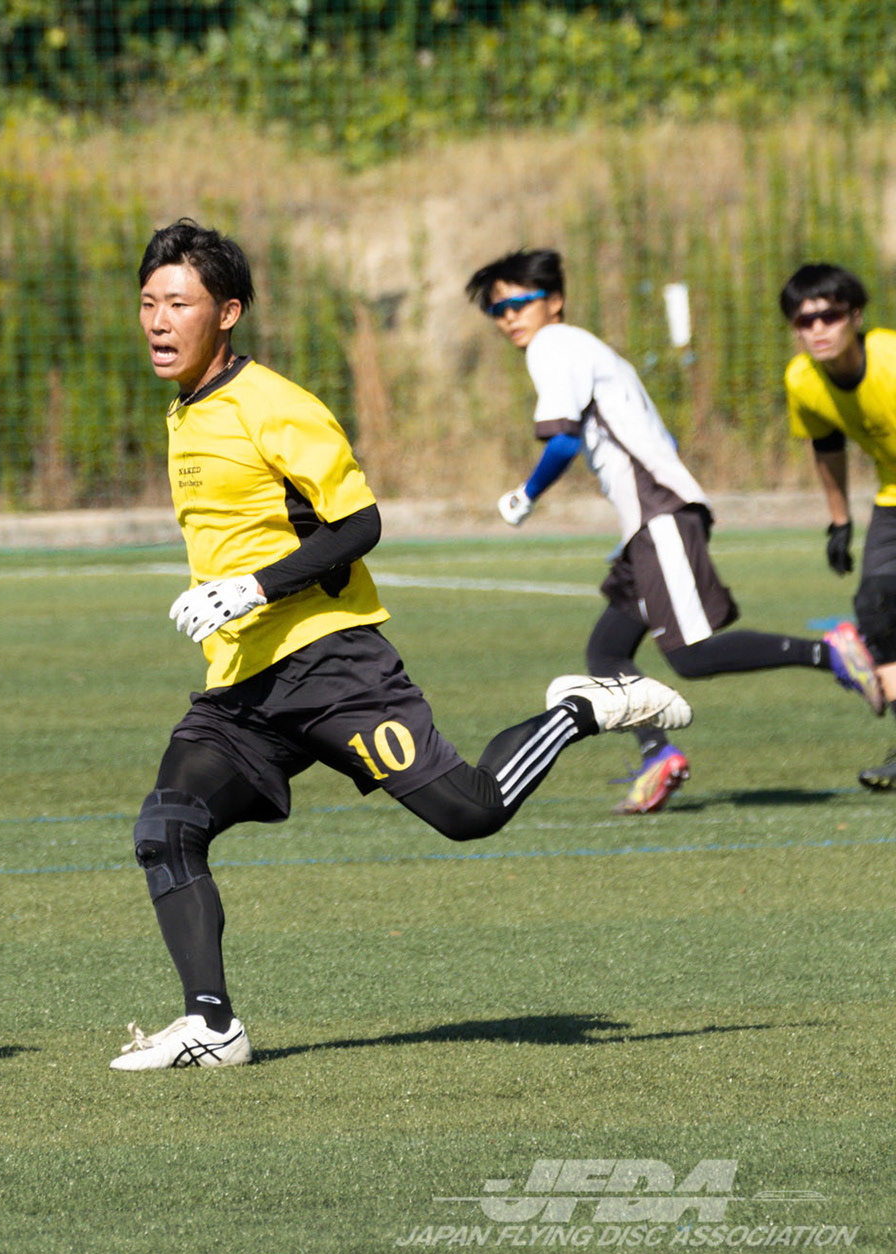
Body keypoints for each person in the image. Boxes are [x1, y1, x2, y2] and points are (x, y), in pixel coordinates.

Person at [111, 220, 692, 1073]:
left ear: (227, 312)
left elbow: (360, 524)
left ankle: (580, 709)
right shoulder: (187, 408)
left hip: (332, 667)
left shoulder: (274, 405)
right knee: (167, 827)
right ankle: (213, 1027)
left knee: (470, 812)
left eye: (179, 304)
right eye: (148, 304)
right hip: (244, 685)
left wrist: (251, 587)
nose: (160, 322)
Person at [465, 249, 884, 813]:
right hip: (651, 518)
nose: (510, 316)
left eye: (520, 302)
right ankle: (658, 754)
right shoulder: (589, 348)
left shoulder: (553, 345)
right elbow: (663, 439)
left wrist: (527, 494)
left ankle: (829, 651)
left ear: (555, 301)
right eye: (498, 310)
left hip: (658, 514)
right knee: (607, 651)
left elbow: (562, 440)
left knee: (691, 656)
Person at [780, 263, 896, 790]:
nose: (818, 329)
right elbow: (826, 444)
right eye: (804, 321)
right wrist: (839, 521)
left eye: (830, 316)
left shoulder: (890, 360)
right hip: (893, 498)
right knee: (876, 606)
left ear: (856, 317)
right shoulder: (803, 381)